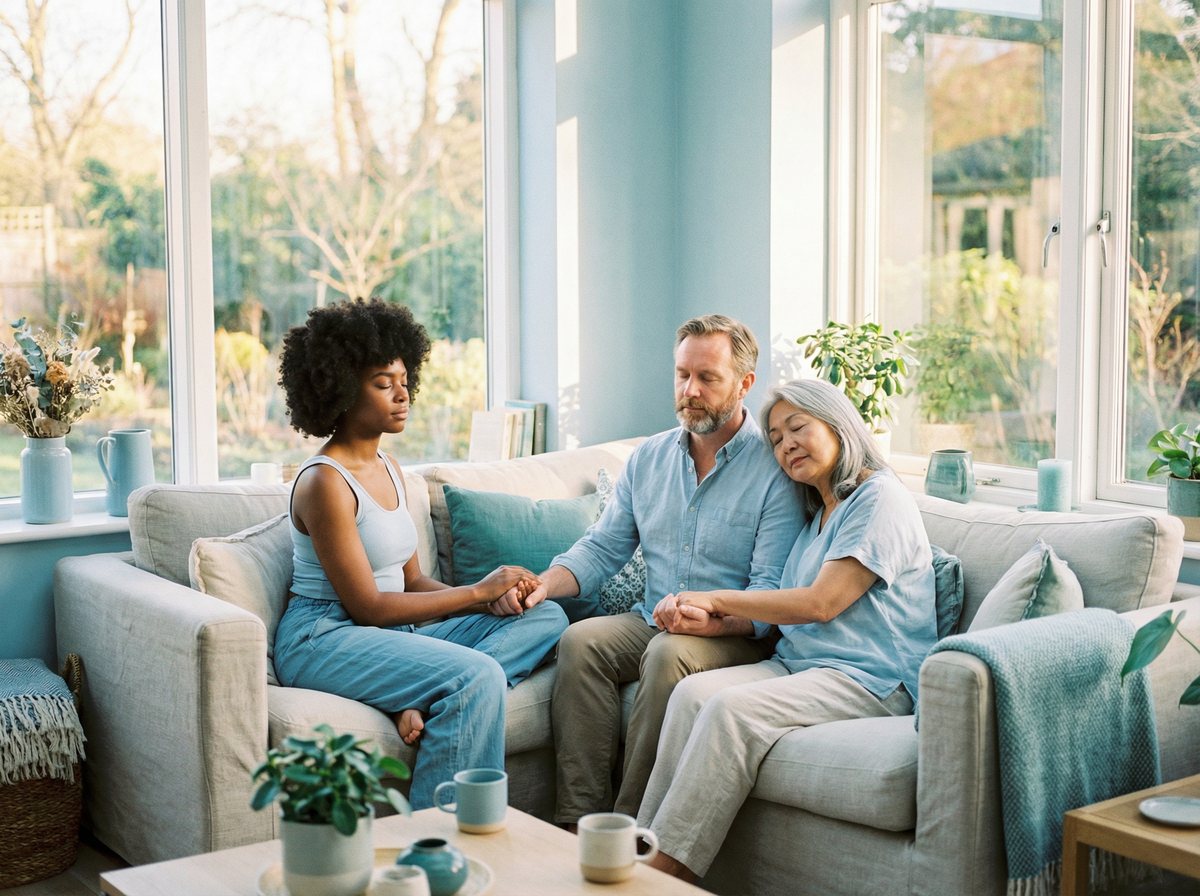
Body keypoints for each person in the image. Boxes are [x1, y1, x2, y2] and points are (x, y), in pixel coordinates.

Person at [636, 378, 937, 882]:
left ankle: (661, 879)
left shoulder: (879, 499)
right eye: (775, 438)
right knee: (690, 694)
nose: (786, 444)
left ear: (839, 425)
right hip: (800, 666)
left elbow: (820, 604)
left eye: (799, 428)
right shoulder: (819, 514)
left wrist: (715, 596)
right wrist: (714, 623)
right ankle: (642, 850)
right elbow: (779, 613)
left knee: (731, 711)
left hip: (872, 680)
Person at [510, 314, 806, 827]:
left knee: (669, 653)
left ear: (744, 384)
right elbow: (602, 549)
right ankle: (574, 824)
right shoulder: (648, 458)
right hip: (654, 617)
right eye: (682, 374)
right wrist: (542, 586)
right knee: (581, 642)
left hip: (736, 634)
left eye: (707, 378)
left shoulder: (774, 470)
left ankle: (630, 829)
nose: (690, 390)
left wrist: (712, 620)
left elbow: (769, 596)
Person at [271, 299, 568, 809]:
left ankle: (416, 696)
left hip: (393, 629)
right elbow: (368, 606)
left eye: (405, 379)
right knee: (476, 676)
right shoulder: (324, 483)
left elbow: (411, 582)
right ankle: (441, 839)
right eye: (383, 383)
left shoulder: (389, 465)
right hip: (325, 635)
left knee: (548, 615)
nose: (403, 395)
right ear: (339, 388)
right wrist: (475, 592)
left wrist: (490, 601)